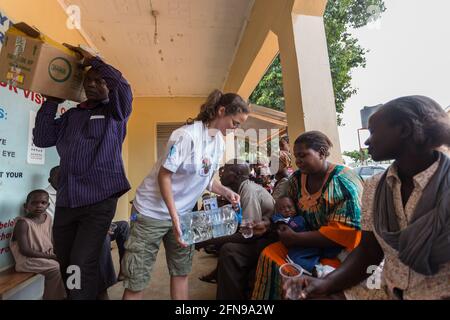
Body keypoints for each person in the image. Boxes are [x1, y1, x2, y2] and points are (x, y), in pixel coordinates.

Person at [287, 96, 450, 300]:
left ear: (405, 129)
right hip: (387, 287)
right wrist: (326, 284)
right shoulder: (375, 186)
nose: (367, 140)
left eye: (373, 132)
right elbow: (369, 251)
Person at [121, 90, 249, 300]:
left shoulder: (218, 143)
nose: (236, 128)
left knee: (181, 272)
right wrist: (174, 218)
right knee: (137, 278)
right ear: (221, 111)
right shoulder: (186, 136)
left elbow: (205, 179)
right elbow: (165, 176)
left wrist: (226, 191)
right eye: (235, 122)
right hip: (150, 213)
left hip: (183, 216)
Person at [33, 45, 132, 300]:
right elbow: (43, 138)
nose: (92, 84)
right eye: (88, 81)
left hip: (99, 200)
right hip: (67, 199)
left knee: (80, 261)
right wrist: (52, 101)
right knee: (67, 261)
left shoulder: (115, 112)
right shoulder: (72, 116)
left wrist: (96, 61)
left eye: (99, 81)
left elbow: (121, 86)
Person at [252, 131, 364, 300]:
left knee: (293, 270)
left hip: (341, 250)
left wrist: (297, 239)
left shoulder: (343, 182)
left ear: (321, 152)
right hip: (302, 242)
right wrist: (269, 223)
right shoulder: (296, 179)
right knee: (268, 255)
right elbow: (282, 210)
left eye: (303, 155)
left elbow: (346, 233)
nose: (298, 161)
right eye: (296, 156)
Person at [213, 161, 276, 299]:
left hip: (269, 238)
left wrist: (209, 240)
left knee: (229, 250)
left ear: (237, 174)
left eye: (226, 170)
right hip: (260, 235)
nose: (221, 173)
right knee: (224, 240)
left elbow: (248, 234)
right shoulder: (240, 189)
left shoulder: (249, 192)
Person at [10, 190, 66, 300]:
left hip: (45, 256)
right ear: (26, 206)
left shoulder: (47, 217)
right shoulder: (23, 223)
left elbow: (50, 238)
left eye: (43, 203)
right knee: (56, 268)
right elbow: (25, 250)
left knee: (67, 262)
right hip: (28, 260)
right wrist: (52, 256)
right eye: (34, 203)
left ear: (48, 205)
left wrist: (55, 252)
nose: (39, 206)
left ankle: (61, 295)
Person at [271, 196, 342, 274]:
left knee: (331, 248)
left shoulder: (300, 217)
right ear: (277, 212)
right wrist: (278, 222)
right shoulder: (283, 221)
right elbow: (275, 220)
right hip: (300, 247)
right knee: (294, 258)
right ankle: (318, 270)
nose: (287, 210)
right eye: (282, 209)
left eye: (289, 207)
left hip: (314, 241)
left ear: (295, 207)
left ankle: (342, 253)